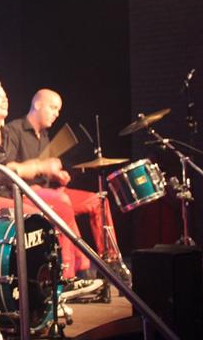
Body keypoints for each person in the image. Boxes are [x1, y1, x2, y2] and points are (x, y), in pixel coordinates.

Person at [0, 75, 94, 283]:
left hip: (5, 194)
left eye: (5, 96)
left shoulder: (5, 133)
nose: (5, 100)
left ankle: (67, 274)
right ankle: (45, 277)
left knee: (54, 210)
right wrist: (22, 170)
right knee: (36, 217)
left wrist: (35, 170)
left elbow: (14, 168)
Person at [7, 89, 120, 261]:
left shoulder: (44, 135)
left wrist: (57, 176)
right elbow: (9, 171)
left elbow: (45, 173)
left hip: (48, 191)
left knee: (98, 201)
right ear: (37, 104)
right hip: (26, 194)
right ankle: (75, 266)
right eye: (53, 108)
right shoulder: (13, 130)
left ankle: (110, 260)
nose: (56, 114)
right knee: (62, 201)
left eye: (58, 110)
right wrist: (41, 167)